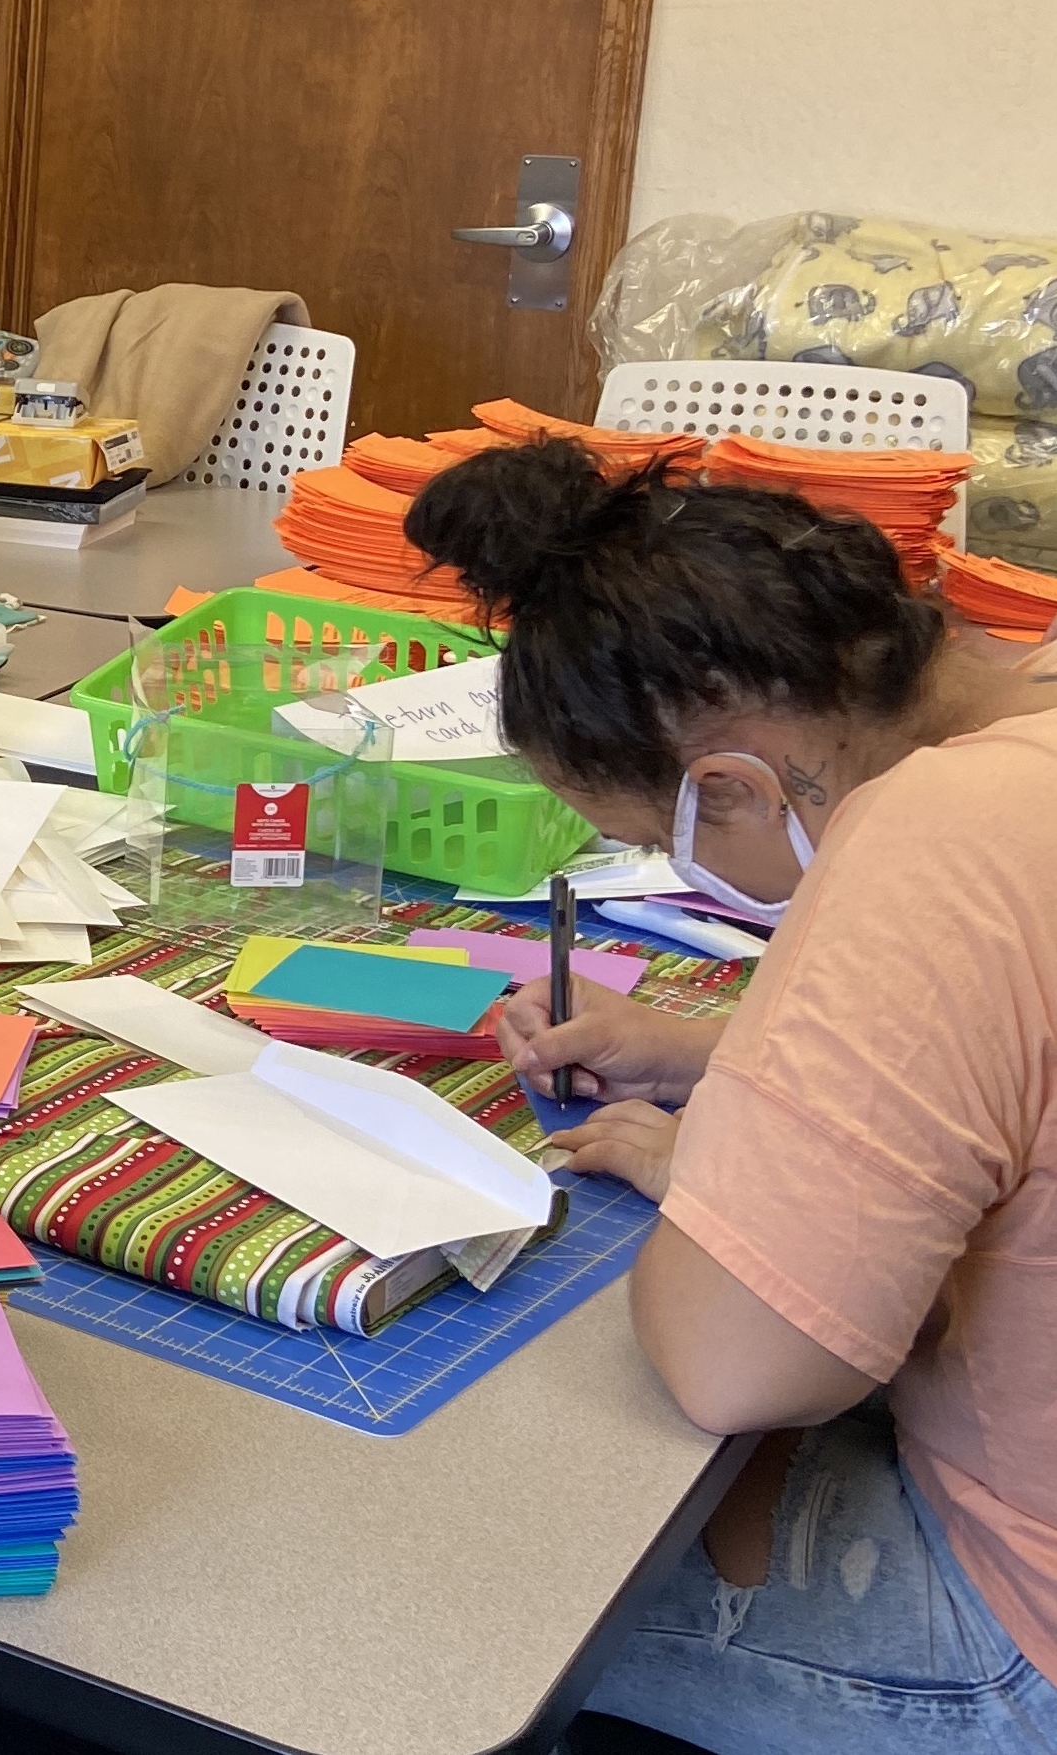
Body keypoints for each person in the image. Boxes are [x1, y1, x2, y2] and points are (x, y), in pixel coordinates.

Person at [401, 440, 1057, 1754]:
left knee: (433, 1554)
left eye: (659, 844)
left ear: (735, 787)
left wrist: (710, 1162)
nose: (675, 870)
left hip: (1015, 1636)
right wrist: (724, 1055)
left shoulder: (937, 830)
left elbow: (739, 1361)